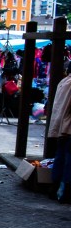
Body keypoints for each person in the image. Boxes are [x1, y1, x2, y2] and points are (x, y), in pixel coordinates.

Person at [48, 70, 71, 203]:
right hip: (68, 128)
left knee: (60, 157)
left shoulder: (63, 82)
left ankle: (54, 188)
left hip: (60, 127)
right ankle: (64, 193)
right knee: (68, 160)